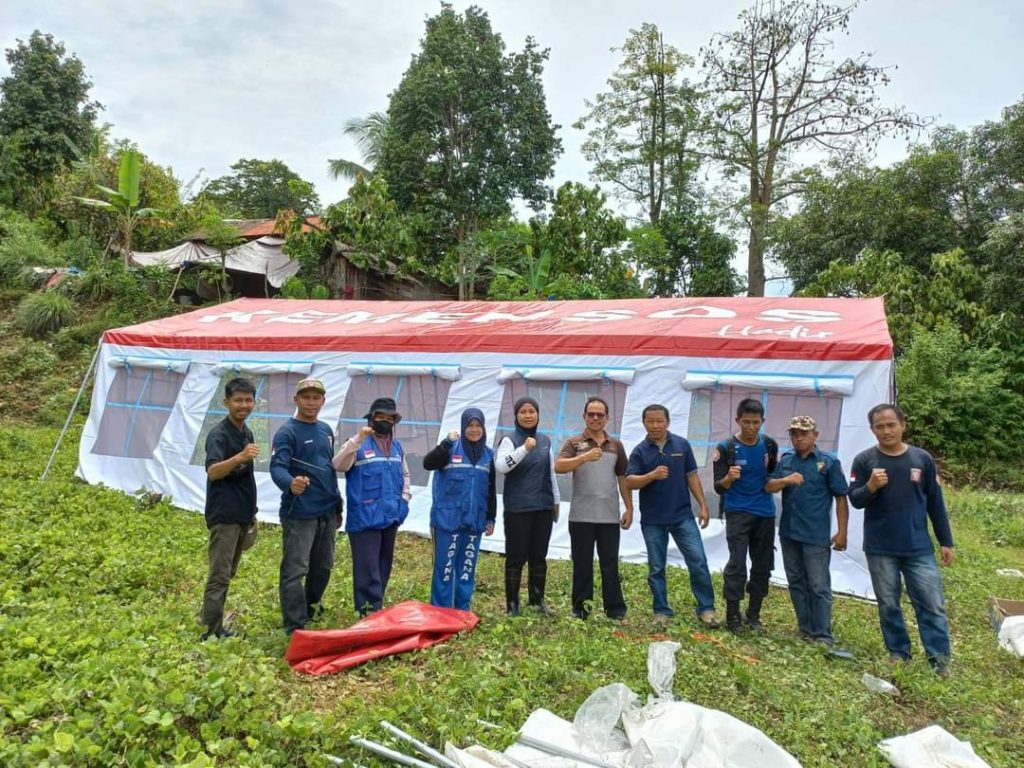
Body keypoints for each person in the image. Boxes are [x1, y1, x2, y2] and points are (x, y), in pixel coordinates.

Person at [848, 404, 954, 673]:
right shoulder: (864, 460)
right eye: (879, 426)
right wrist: (871, 486)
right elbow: (855, 499)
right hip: (880, 547)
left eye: (891, 425)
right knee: (888, 603)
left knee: (932, 604)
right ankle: (898, 651)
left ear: (903, 425)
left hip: (918, 547)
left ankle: (939, 660)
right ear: (872, 430)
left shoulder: (922, 459)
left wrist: (945, 540)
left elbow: (935, 502)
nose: (886, 431)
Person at [626, 404, 720, 629]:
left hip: (682, 516)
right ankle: (661, 611)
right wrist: (651, 475)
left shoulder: (681, 445)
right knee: (656, 567)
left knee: (698, 561)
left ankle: (706, 609)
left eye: (660, 421)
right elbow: (630, 481)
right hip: (653, 520)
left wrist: (703, 506)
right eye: (650, 421)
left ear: (667, 422)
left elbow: (692, 476)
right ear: (644, 423)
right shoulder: (640, 451)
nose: (655, 425)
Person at [765, 416, 849, 647]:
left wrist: (842, 532)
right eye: (794, 434)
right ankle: (805, 628)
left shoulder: (828, 462)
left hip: (815, 534)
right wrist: (786, 480)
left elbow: (841, 497)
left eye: (804, 433)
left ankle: (823, 634)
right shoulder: (787, 460)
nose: (799, 438)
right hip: (789, 532)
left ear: (815, 435)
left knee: (818, 585)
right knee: (795, 581)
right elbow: (768, 486)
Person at [270, 377, 343, 635]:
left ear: (323, 401)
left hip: (326, 510)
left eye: (316, 397)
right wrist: (290, 483)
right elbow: (277, 467)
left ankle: (311, 608)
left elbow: (329, 469)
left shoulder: (326, 430)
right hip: (299, 512)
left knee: (323, 566)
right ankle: (294, 624)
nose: (311, 402)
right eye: (306, 397)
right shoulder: (287, 432)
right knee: (296, 568)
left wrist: (338, 505)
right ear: (296, 400)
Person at [555, 396, 633, 620]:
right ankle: (581, 609)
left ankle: (615, 610)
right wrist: (584, 457)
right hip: (581, 516)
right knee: (582, 564)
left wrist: (629, 508)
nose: (595, 418)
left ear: (607, 418)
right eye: (591, 414)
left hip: (609, 516)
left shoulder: (616, 445)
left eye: (600, 414)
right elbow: (559, 466)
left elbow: (623, 478)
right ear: (584, 416)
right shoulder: (574, 443)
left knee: (610, 564)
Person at [333, 396, 411, 615]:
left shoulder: (397, 447)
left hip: (390, 516)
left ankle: (376, 610)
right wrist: (358, 439)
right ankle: (367, 614)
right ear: (371, 419)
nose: (385, 421)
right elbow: (338, 464)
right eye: (380, 417)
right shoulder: (357, 443)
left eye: (389, 418)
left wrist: (404, 501)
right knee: (367, 570)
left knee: (384, 566)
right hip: (364, 519)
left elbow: (405, 475)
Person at [199, 377, 260, 640]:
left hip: (242, 513)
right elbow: (213, 471)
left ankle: (210, 619)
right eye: (238, 400)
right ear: (226, 402)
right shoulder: (219, 435)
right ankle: (210, 631)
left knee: (228, 572)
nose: (243, 405)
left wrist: (252, 511)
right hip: (224, 515)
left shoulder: (246, 432)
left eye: (248, 400)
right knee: (219, 575)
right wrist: (239, 457)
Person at [713, 398, 779, 634]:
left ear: (762, 421)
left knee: (763, 564)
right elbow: (718, 487)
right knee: (737, 563)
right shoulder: (726, 448)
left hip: (765, 512)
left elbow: (772, 476)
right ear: (737, 421)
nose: (751, 427)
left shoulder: (769, 445)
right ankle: (732, 616)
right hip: (738, 512)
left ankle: (753, 614)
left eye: (756, 422)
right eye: (746, 422)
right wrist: (729, 478)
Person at [422, 408, 496, 610]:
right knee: (444, 569)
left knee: (466, 570)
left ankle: (462, 612)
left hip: (474, 521)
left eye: (478, 425)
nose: (474, 430)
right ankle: (441, 612)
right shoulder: (449, 448)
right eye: (470, 425)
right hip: (447, 521)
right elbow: (428, 463)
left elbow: (491, 489)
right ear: (463, 427)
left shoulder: (488, 455)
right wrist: (445, 443)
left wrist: (491, 518)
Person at [495, 396, 560, 616]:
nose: (528, 415)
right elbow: (501, 467)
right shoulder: (509, 440)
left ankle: (537, 600)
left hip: (543, 507)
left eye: (532, 411)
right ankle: (512, 605)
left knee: (539, 556)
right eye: (523, 411)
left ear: (538, 415)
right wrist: (523, 449)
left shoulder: (545, 441)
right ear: (516, 416)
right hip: (518, 508)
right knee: (516, 557)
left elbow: (550, 473)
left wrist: (555, 500)